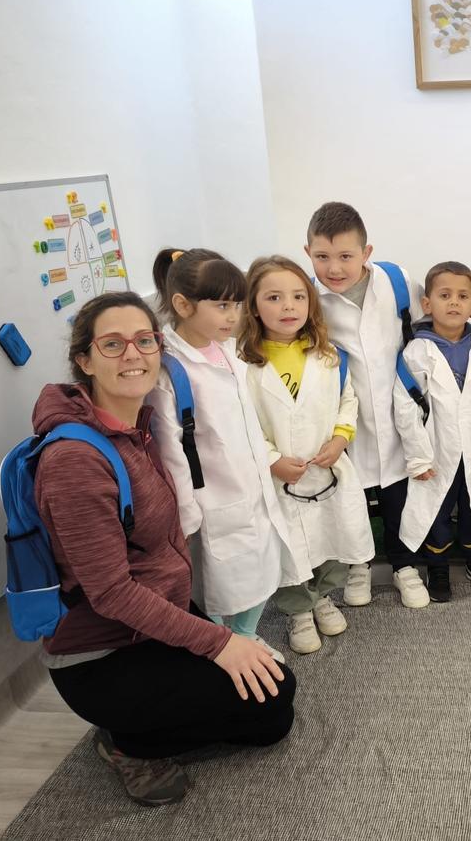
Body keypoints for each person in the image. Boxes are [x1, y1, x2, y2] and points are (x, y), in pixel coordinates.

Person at [36, 292, 295, 807]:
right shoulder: (75, 462)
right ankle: (128, 744)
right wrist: (218, 643)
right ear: (84, 361)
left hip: (154, 617)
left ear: (160, 349)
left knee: (264, 676)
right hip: (103, 654)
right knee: (274, 710)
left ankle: (151, 713)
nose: (132, 354)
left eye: (144, 340)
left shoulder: (140, 426)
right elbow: (111, 594)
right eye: (112, 344)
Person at [148, 248, 298, 657]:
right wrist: (187, 514)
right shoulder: (171, 372)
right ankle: (225, 646)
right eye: (221, 305)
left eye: (236, 304)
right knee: (219, 585)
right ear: (182, 305)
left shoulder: (227, 350)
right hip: (213, 501)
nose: (233, 316)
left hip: (252, 487)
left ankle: (246, 636)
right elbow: (173, 453)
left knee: (261, 571)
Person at [239, 256, 375, 654]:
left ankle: (323, 595)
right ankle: (298, 609)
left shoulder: (328, 354)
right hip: (279, 476)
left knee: (333, 538)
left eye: (299, 296)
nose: (289, 307)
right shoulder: (243, 364)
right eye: (275, 297)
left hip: (327, 468)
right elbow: (242, 423)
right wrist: (271, 459)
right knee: (290, 547)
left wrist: (340, 437)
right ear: (253, 306)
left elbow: (347, 400)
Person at [305, 202, 430, 608]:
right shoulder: (307, 297)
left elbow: (419, 328)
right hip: (343, 414)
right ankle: (359, 564)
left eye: (346, 256)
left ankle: (404, 564)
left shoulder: (396, 281)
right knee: (352, 494)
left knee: (399, 490)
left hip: (398, 408)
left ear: (366, 252)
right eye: (322, 257)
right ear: (308, 253)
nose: (334, 268)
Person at [392, 261, 471, 602]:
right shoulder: (417, 350)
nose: (454, 303)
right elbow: (405, 406)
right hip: (438, 446)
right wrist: (418, 456)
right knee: (437, 507)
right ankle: (438, 566)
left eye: (463, 296)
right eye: (445, 295)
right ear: (428, 304)